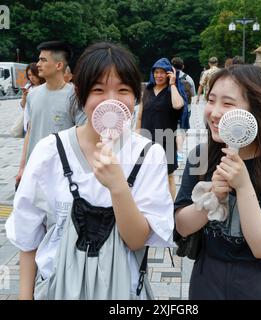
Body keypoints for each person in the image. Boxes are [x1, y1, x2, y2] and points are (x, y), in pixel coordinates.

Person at [5, 41, 174, 300]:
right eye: (98, 89)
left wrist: (118, 187)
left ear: (136, 97)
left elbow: (137, 240)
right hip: (55, 290)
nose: (111, 100)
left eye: (123, 90)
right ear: (80, 94)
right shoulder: (49, 151)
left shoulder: (149, 155)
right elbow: (29, 238)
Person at [174, 65, 261, 300]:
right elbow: (182, 225)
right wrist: (213, 197)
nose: (214, 112)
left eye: (228, 104)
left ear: (259, 110)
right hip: (207, 277)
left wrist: (243, 186)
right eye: (211, 100)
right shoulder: (200, 157)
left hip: (258, 282)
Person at [15, 41, 87, 186]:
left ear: (59, 65)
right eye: (38, 59)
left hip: (63, 174)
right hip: (34, 169)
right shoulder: (32, 95)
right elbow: (30, 131)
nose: (38, 64)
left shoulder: (75, 97)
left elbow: (83, 137)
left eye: (43, 60)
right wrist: (23, 167)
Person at [136, 57, 185, 200]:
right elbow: (140, 115)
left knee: (169, 175)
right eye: (156, 72)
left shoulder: (172, 91)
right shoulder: (148, 90)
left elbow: (178, 105)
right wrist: (136, 135)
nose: (159, 75)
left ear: (169, 74)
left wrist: (173, 84)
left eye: (162, 72)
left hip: (166, 139)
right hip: (146, 138)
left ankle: (171, 207)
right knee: (146, 173)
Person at [171, 57, 196, 162]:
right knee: (183, 129)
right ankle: (179, 152)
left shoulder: (170, 77)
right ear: (183, 66)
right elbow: (193, 93)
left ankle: (171, 149)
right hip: (186, 108)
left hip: (172, 106)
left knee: (173, 128)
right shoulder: (188, 78)